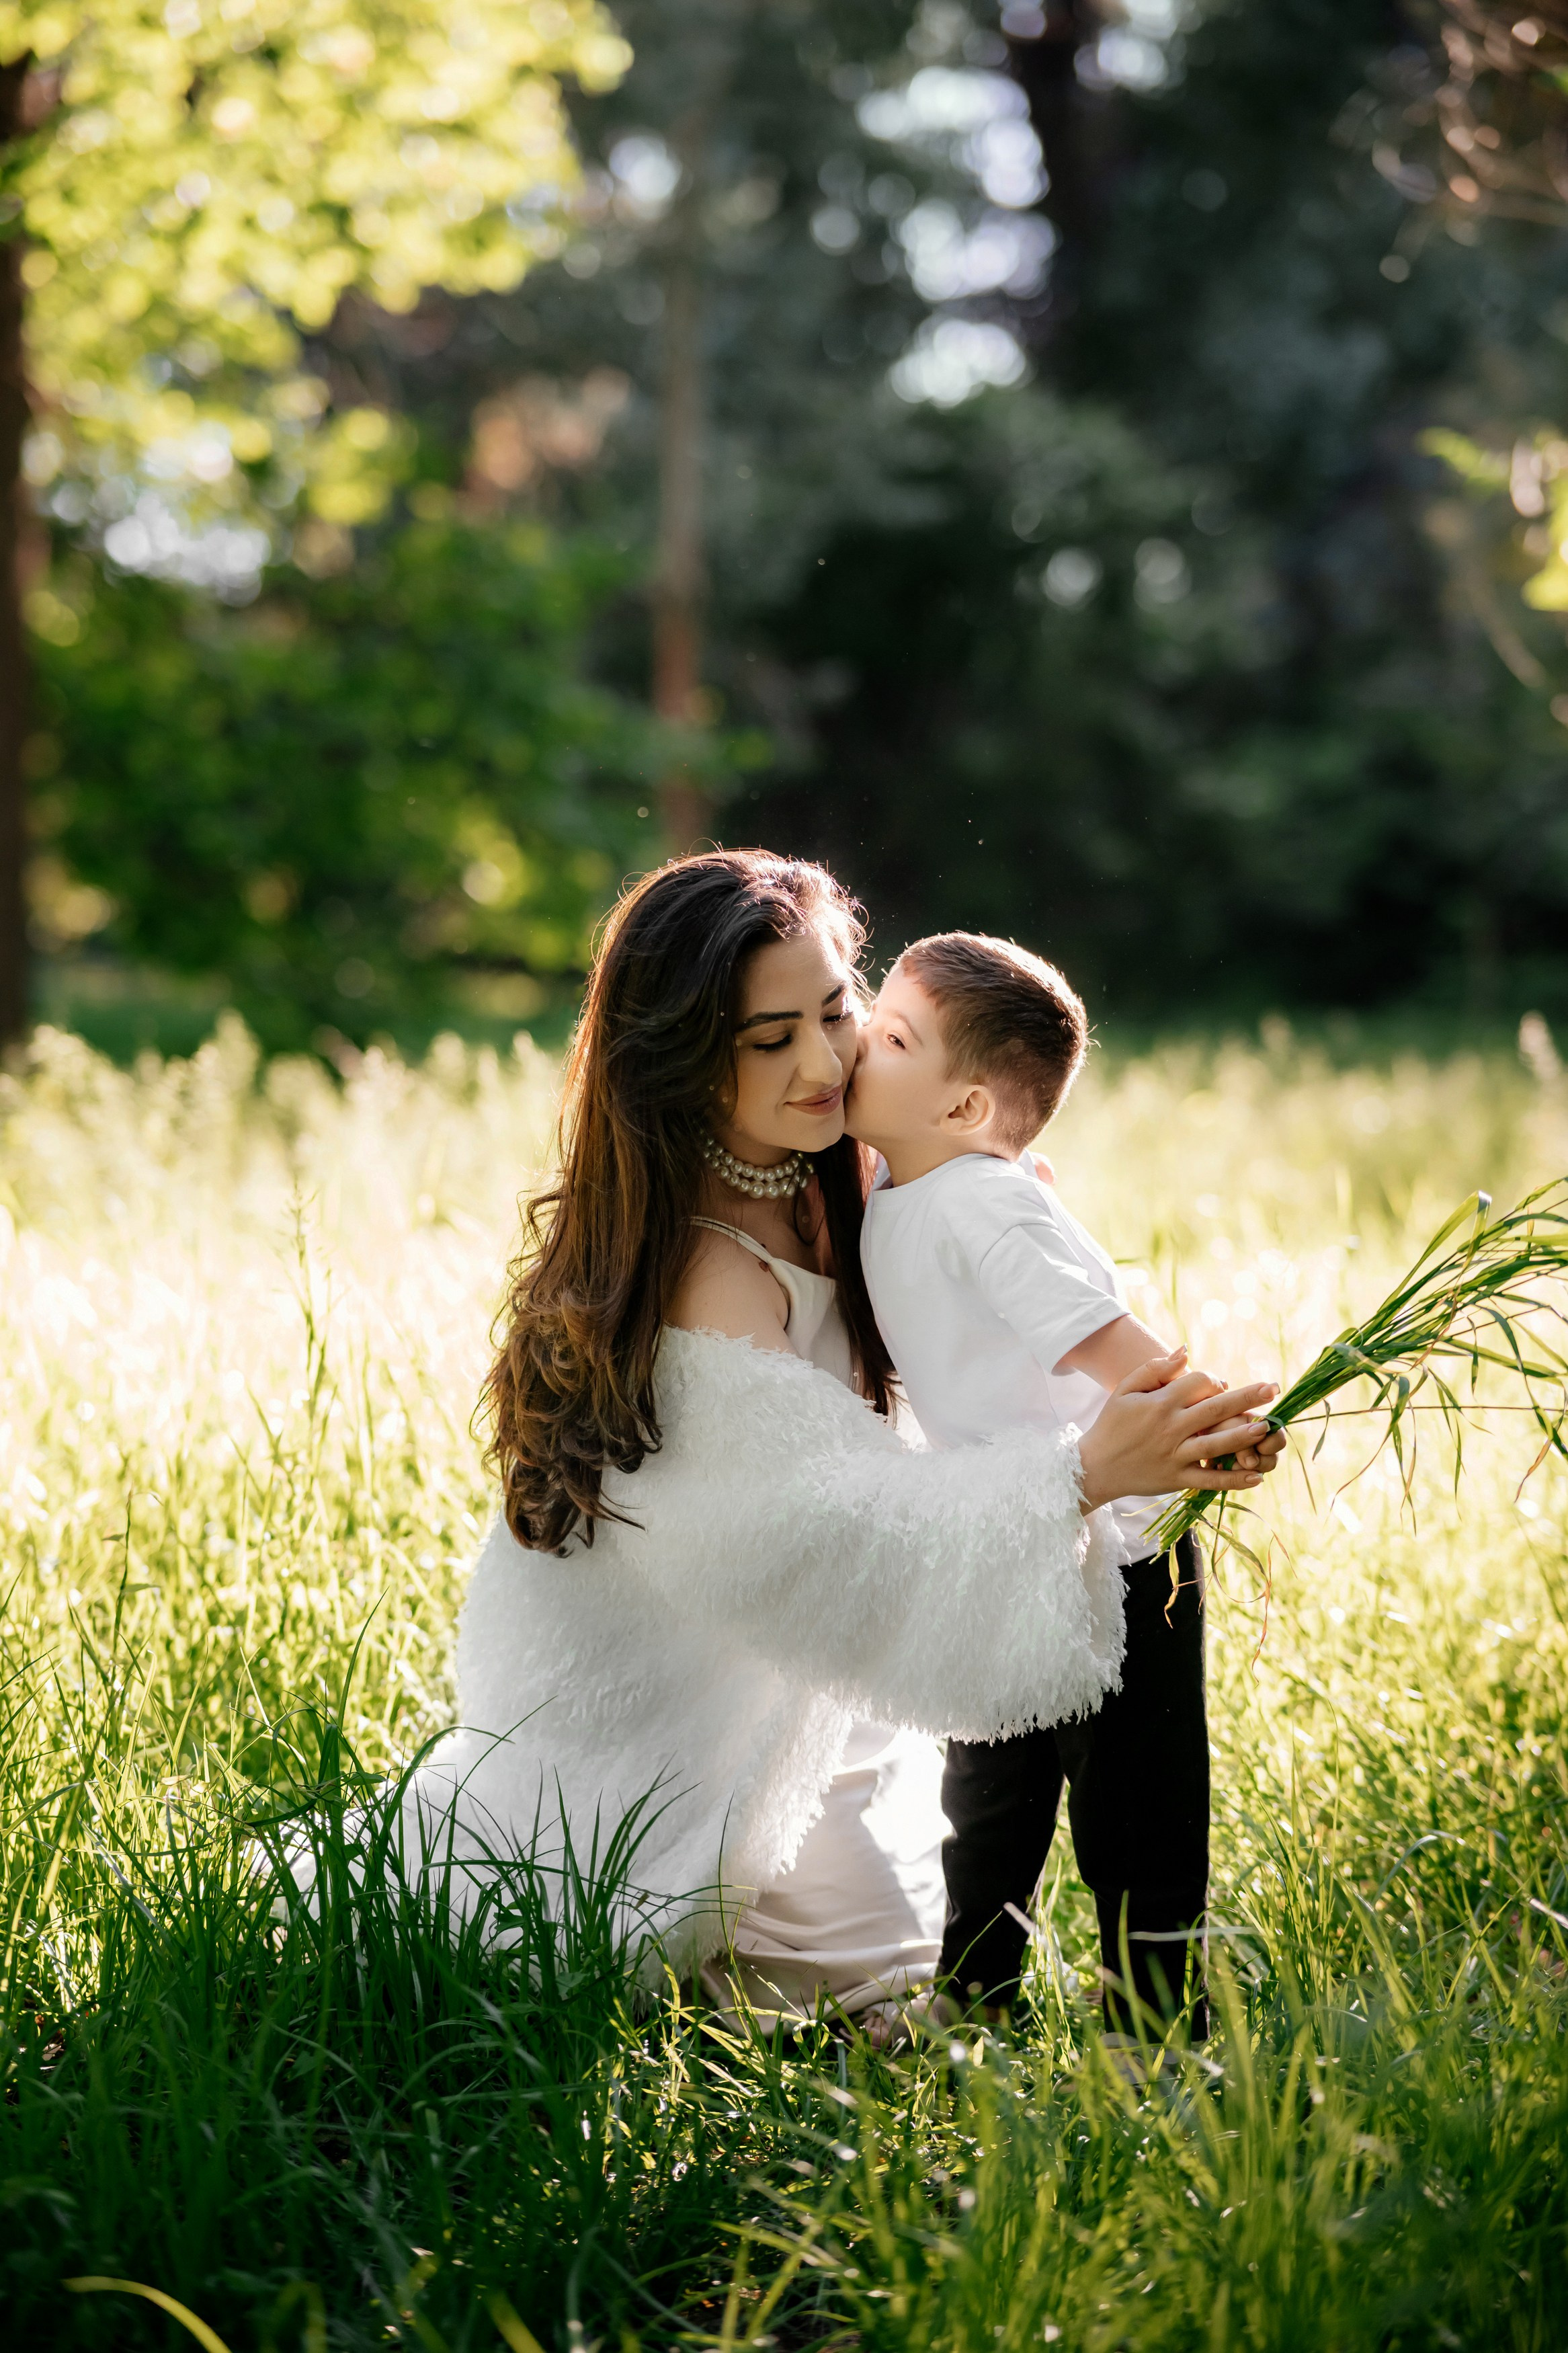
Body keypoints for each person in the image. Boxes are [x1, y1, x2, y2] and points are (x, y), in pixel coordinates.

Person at [404, 854, 1284, 2036]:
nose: (821, 1063)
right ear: (678, 1054)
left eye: (834, 1011)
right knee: (866, 1958)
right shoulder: (705, 1266)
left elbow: (992, 1323)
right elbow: (823, 1536)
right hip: (696, 1689)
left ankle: (1152, 2002)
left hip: (834, 1669)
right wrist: (1081, 1476)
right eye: (768, 1040)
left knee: (941, 1907)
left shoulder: (870, 1164)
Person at [848, 929, 1282, 2041]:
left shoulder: (979, 1202)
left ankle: (1146, 2017)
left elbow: (1100, 1337)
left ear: (963, 1109)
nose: (858, 1039)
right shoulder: (914, 1177)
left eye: (892, 1036)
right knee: (988, 1783)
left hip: (1117, 1546)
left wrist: (1206, 1418)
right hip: (1009, 1530)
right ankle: (975, 1987)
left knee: (1132, 1799)